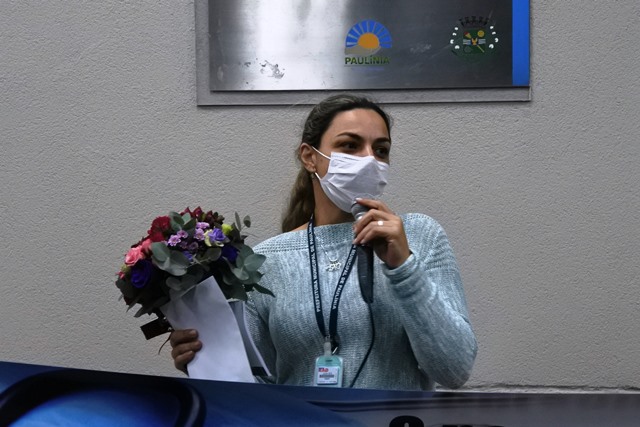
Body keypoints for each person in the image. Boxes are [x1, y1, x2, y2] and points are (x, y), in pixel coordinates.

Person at [170, 94, 477, 390]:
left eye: (381, 150)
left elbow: (454, 370)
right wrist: (206, 362)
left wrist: (404, 267)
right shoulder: (266, 261)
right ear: (310, 157)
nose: (369, 159)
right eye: (350, 146)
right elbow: (257, 388)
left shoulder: (419, 235)